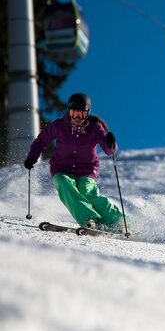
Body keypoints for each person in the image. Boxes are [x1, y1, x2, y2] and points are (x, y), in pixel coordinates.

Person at [24, 92, 124, 231]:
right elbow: (41, 141)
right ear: (68, 111)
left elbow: (109, 151)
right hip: (61, 168)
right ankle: (90, 219)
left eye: (81, 114)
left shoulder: (95, 128)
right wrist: (32, 157)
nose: (77, 117)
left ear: (88, 114)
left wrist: (110, 143)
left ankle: (118, 221)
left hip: (87, 169)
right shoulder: (59, 125)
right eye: (74, 113)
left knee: (88, 191)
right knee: (64, 184)